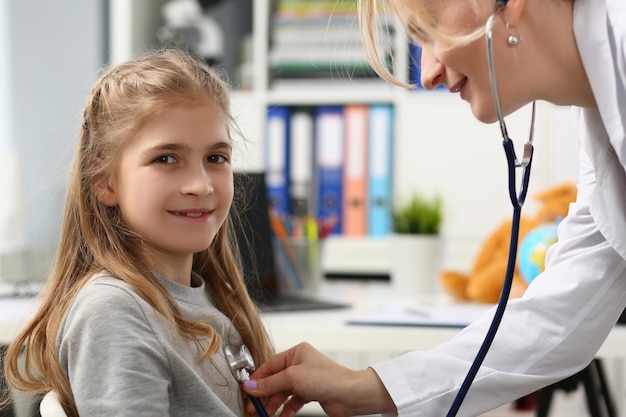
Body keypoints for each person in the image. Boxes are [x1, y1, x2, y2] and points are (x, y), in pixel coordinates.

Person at [242, 0, 626, 416]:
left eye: (427, 32)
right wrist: (364, 386)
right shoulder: (600, 121)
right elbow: (560, 317)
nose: (427, 75)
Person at [2, 48, 274, 417]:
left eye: (216, 158)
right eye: (166, 159)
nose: (201, 184)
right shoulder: (114, 312)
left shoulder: (206, 298)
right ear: (105, 183)